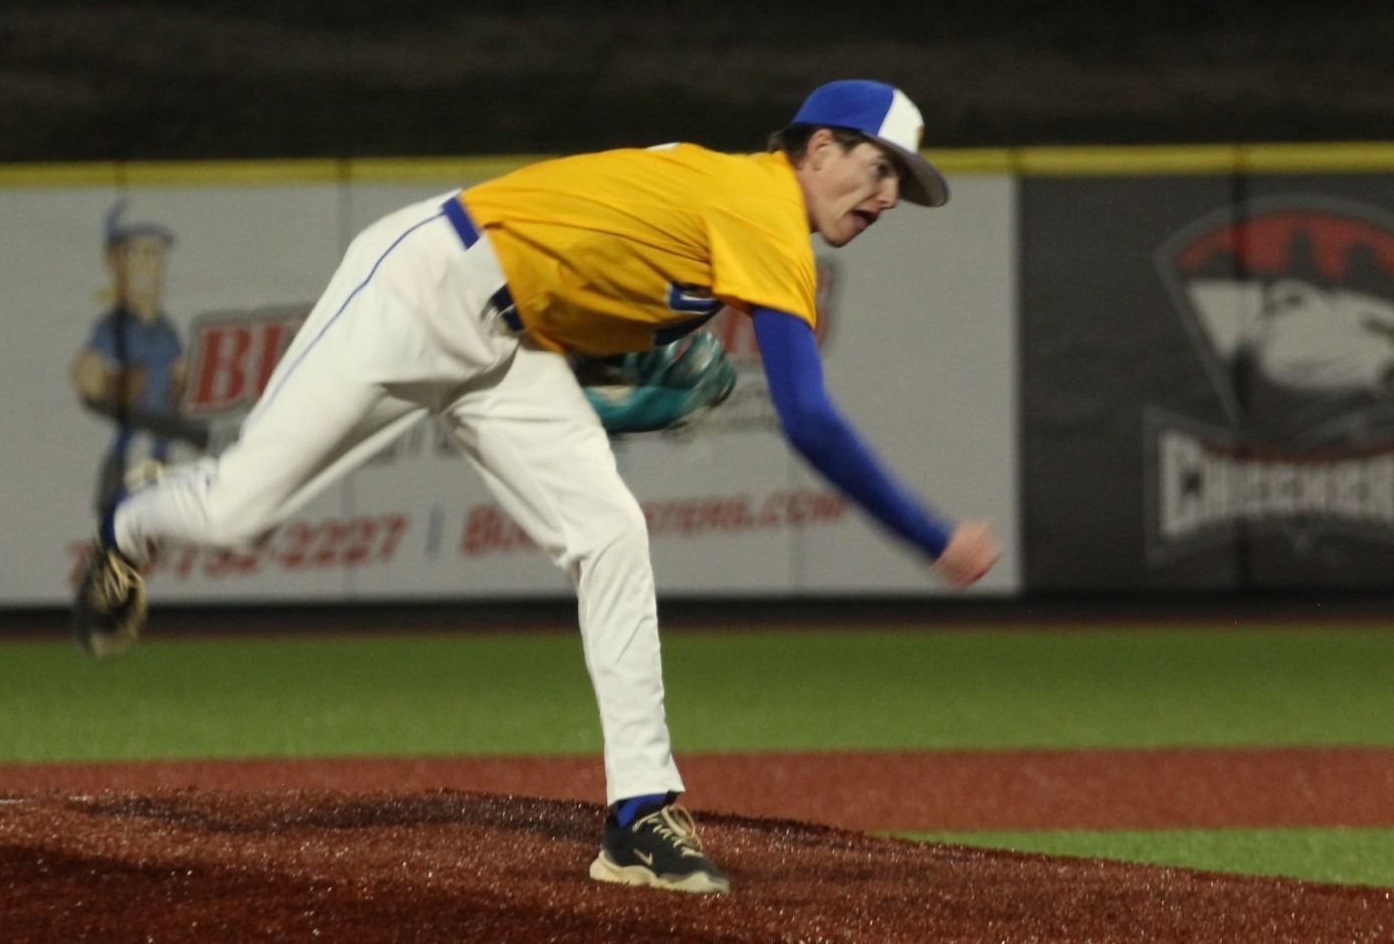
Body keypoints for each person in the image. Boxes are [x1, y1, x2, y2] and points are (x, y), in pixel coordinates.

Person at [73, 79, 1001, 895]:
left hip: (510, 342)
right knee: (236, 511)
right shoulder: (759, 209)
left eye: (901, 183)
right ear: (819, 148)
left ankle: (640, 813)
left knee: (611, 533)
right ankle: (130, 520)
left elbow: (584, 261)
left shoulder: (722, 191)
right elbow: (809, 420)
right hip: (420, 286)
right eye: (881, 168)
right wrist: (931, 537)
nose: (889, 196)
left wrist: (609, 373)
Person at [70, 201, 211, 515]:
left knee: (160, 454)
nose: (148, 263)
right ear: (115, 260)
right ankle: (110, 506)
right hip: (136, 415)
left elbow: (181, 372)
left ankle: (156, 508)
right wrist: (116, 386)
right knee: (125, 444)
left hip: (163, 417)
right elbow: (87, 376)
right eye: (136, 252)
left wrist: (181, 393)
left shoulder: (165, 328)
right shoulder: (114, 325)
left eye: (155, 253)